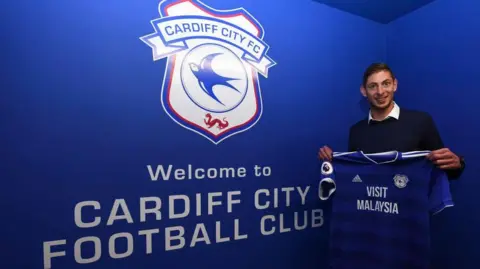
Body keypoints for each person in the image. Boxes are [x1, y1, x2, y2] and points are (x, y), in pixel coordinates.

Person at [318, 62, 465, 179]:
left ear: (395, 85)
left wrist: (457, 164)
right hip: (369, 212)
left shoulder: (421, 121)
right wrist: (333, 161)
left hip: (411, 212)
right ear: (364, 91)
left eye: (386, 83)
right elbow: (354, 176)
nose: (380, 92)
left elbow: (447, 171)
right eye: (373, 86)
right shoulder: (356, 131)